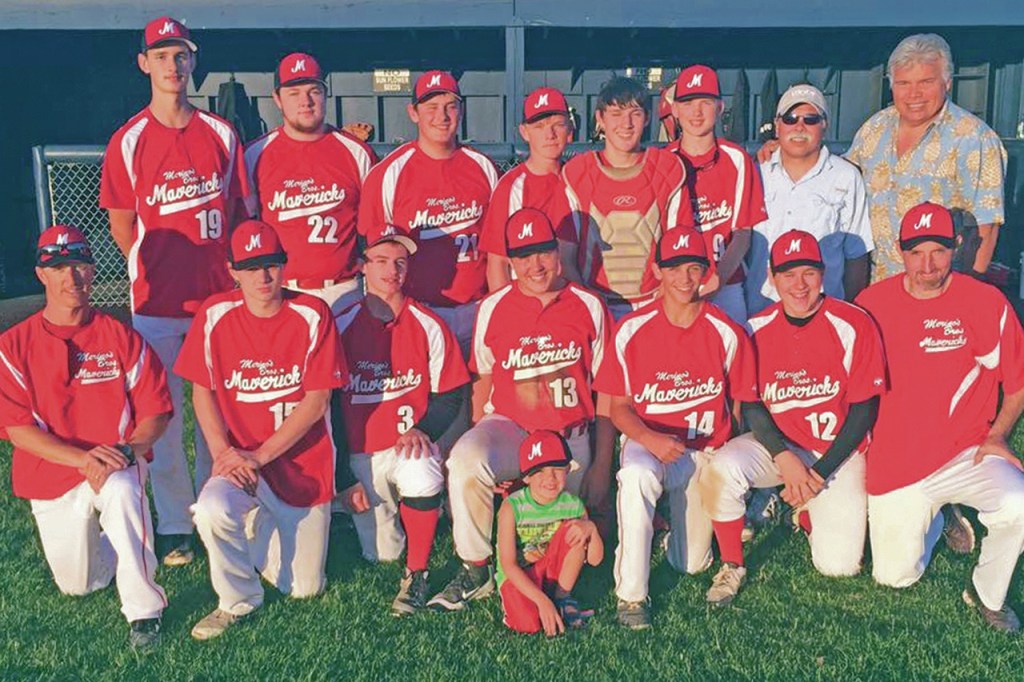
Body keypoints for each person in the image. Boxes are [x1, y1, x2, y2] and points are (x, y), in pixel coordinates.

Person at [99, 16, 250, 565]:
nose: (172, 65)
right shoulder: (129, 139)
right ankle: (173, 523)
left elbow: (239, 213)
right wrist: (151, 269)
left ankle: (221, 508)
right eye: (161, 55)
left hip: (217, 300)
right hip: (158, 302)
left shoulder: (220, 133)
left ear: (193, 61)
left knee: (222, 415)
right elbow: (122, 225)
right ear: (144, 63)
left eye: (180, 55)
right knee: (163, 420)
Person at [429, 208, 614, 612]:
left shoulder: (588, 304)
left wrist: (603, 464)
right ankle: (475, 567)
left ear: (558, 253)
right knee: (466, 459)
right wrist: (483, 446)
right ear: (510, 262)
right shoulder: (493, 306)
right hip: (513, 429)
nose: (536, 265)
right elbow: (483, 378)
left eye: (543, 252)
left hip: (569, 438)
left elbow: (608, 390)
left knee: (560, 544)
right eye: (524, 256)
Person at [0, 225, 172, 650]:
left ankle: (145, 614)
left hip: (114, 462)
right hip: (52, 472)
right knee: (79, 585)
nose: (71, 277)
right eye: (59, 268)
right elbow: (19, 431)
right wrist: (84, 460)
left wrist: (129, 451)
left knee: (124, 490)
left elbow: (156, 411)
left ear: (93, 270)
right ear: (41, 274)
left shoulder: (120, 335)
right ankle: (119, 541)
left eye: (78, 265)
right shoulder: (12, 346)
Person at [856, 202, 1024, 633]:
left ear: (957, 246)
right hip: (897, 461)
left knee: (1019, 504)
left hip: (965, 452)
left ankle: (987, 594)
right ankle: (941, 516)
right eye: (916, 252)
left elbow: (1018, 381)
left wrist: (999, 435)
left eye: (939, 251)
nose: (927, 265)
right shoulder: (871, 304)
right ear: (900, 251)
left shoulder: (985, 302)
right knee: (894, 577)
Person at [176, 220, 347, 640]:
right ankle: (237, 599)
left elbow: (317, 401)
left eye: (271, 264)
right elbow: (202, 392)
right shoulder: (215, 314)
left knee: (304, 588)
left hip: (302, 466)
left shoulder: (312, 313)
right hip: (240, 462)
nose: (263, 276)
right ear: (232, 270)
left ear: (284, 265)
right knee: (211, 509)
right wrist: (224, 454)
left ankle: (255, 524)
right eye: (251, 267)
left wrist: (259, 456)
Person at [700, 230, 886, 606]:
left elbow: (864, 409)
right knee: (723, 468)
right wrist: (784, 458)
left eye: (808, 273)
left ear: (823, 273)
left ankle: (803, 514)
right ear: (772, 276)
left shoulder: (853, 322)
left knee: (839, 567)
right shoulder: (755, 328)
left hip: (837, 453)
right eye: (788, 274)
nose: (799, 285)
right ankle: (732, 563)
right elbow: (751, 404)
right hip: (781, 448)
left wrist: (818, 473)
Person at [593, 225, 757, 629]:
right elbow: (618, 408)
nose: (684, 278)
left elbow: (738, 407)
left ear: (705, 271)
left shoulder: (726, 331)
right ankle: (632, 596)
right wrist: (649, 438)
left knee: (691, 563)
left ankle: (670, 530)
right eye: (674, 268)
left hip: (702, 451)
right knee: (636, 475)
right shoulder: (632, 328)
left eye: (693, 267)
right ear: (657, 271)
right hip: (649, 443)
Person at [334, 222, 470, 616]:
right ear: (362, 266)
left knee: (422, 465)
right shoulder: (340, 323)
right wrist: (342, 477)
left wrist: (423, 429)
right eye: (380, 260)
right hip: (361, 453)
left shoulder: (428, 323)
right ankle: (402, 521)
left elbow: (450, 393)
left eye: (399, 262)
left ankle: (418, 573)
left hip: (405, 442)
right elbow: (326, 408)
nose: (391, 271)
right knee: (381, 553)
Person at [844, 34, 1006, 283]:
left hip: (937, 289)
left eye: (926, 82)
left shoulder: (974, 138)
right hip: (877, 287)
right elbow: (842, 181)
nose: (914, 94)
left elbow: (986, 227)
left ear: (947, 82)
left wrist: (966, 294)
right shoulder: (874, 128)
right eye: (903, 83)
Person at [357, 69, 498, 354]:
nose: (442, 116)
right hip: (419, 311)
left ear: (461, 111)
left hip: (477, 307)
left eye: (450, 106)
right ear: (413, 113)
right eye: (431, 107)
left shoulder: (482, 167)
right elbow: (374, 252)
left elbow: (498, 247)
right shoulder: (389, 173)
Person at [245, 52, 378, 315]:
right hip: (282, 292)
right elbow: (245, 229)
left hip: (344, 291)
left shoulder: (356, 152)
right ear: (277, 99)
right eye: (294, 93)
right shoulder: (254, 154)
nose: (305, 102)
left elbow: (375, 228)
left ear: (326, 94)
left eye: (314, 91)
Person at [562, 76, 686, 320]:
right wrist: (590, 308)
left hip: (654, 303)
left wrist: (664, 303)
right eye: (616, 114)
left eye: (635, 114)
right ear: (600, 118)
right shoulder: (577, 174)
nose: (626, 124)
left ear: (647, 118)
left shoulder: (668, 170)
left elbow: (680, 248)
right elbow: (566, 257)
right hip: (596, 304)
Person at [747, 85, 873, 316]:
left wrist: (849, 313)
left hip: (823, 314)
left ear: (825, 124)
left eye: (810, 119)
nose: (799, 126)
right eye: (790, 118)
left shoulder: (846, 176)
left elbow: (856, 255)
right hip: (760, 313)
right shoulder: (754, 173)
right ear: (777, 125)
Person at [669, 64, 766, 323]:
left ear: (720, 107)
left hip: (727, 283)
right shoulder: (664, 161)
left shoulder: (737, 159)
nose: (697, 112)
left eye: (706, 102)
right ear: (674, 109)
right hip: (674, 285)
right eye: (688, 103)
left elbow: (743, 234)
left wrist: (718, 279)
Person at [496, 430, 604, 636]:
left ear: (568, 469)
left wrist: (591, 528)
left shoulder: (572, 504)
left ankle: (562, 597)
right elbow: (508, 564)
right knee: (529, 624)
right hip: (519, 576)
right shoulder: (512, 507)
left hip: (551, 571)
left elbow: (595, 560)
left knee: (574, 530)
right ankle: (544, 601)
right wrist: (541, 601)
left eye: (557, 469)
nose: (550, 478)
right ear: (526, 477)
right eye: (539, 471)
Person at [480, 87, 582, 289]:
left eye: (558, 125)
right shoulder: (511, 187)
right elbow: (497, 263)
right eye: (539, 126)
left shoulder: (578, 179)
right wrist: (506, 306)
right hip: (527, 297)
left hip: (573, 297)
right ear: (524, 132)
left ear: (570, 129)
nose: (550, 135)